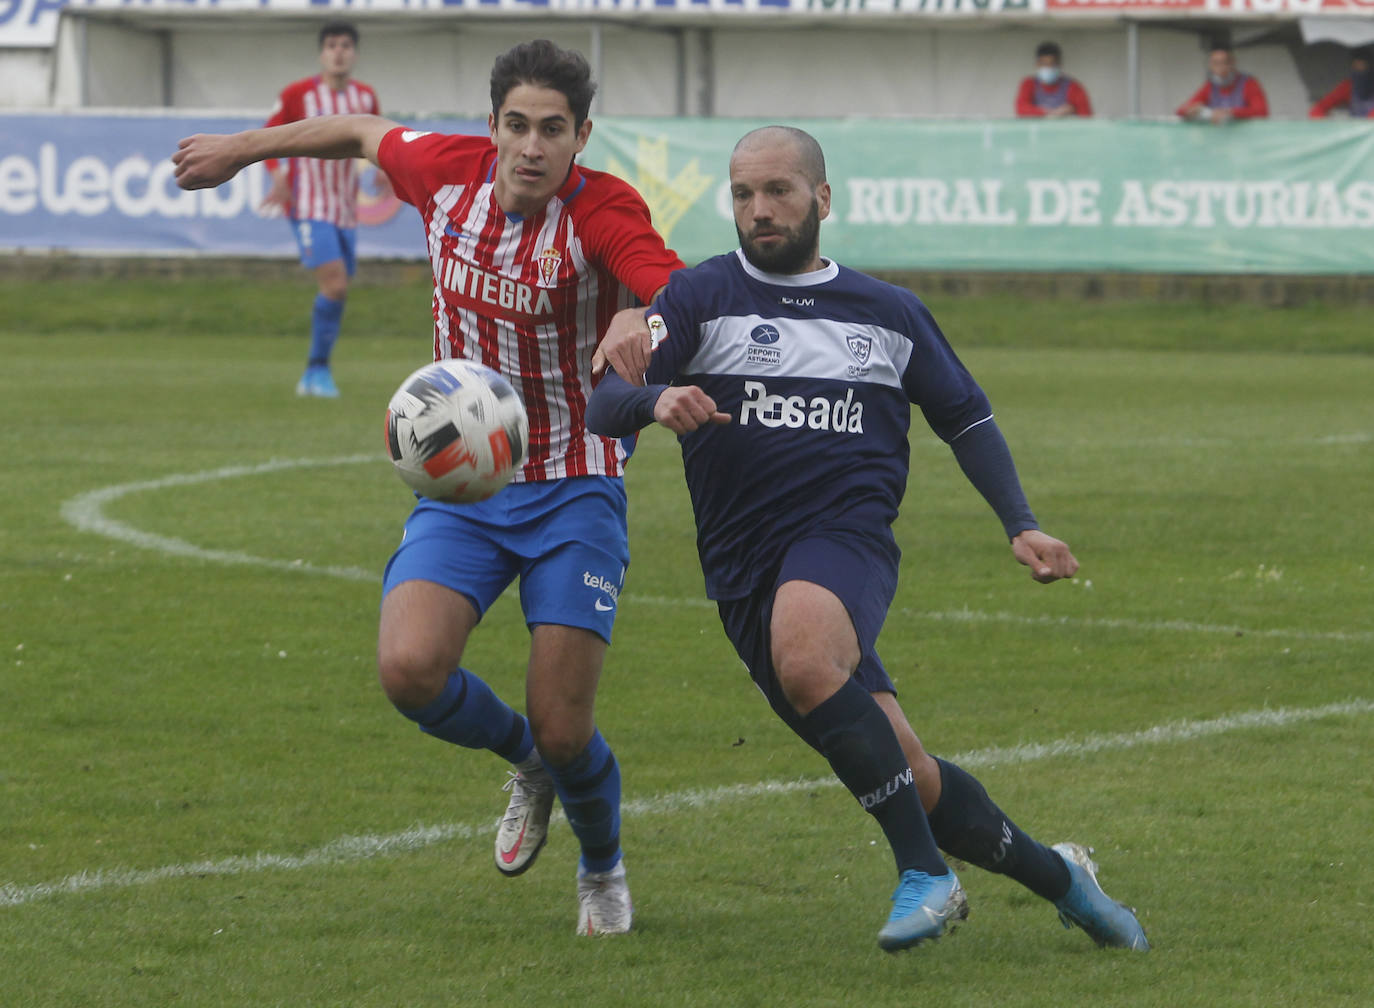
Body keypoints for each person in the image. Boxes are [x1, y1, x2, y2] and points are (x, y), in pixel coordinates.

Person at [584, 126, 1150, 954]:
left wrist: (1019, 520)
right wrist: (651, 403)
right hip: (744, 571)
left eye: (778, 190)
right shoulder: (697, 299)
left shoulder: (886, 311)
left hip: (844, 539)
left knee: (807, 655)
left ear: (822, 198)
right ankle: (1064, 879)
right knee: (914, 779)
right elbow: (606, 401)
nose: (759, 210)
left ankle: (924, 876)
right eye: (743, 195)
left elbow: (966, 415)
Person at [173, 40, 684, 936]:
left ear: (581, 137)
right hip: (465, 485)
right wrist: (242, 148)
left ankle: (601, 868)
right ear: (491, 128)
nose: (532, 146)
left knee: (571, 727)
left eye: (552, 130)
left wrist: (648, 312)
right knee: (409, 671)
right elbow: (362, 131)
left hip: (575, 482)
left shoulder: (603, 210)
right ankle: (523, 759)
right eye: (516, 125)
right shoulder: (446, 174)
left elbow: (672, 281)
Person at [262, 22, 384, 398]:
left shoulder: (365, 99)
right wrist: (278, 175)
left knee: (339, 291)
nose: (339, 52)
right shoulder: (299, 95)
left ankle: (317, 371)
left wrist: (389, 172)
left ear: (355, 53)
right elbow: (267, 135)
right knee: (335, 283)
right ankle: (315, 371)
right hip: (308, 205)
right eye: (332, 45)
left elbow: (378, 139)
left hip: (345, 210)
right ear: (322, 53)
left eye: (346, 45)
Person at [1177, 43, 1268, 123]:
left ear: (1233, 63)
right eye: (1215, 63)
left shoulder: (1248, 83)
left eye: (1224, 63)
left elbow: (1262, 112)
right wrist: (1190, 111)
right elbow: (1180, 110)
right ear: (1210, 66)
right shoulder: (1210, 86)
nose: (1221, 68)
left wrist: (1230, 112)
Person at [1014, 41, 1092, 118]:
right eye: (1044, 64)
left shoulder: (1073, 87)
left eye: (1052, 64)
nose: (1048, 67)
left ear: (1059, 64)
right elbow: (1021, 109)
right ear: (1037, 65)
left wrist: (1071, 111)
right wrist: (1053, 113)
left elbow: (1086, 116)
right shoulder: (1029, 84)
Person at [1309, 47, 1374, 119]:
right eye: (1355, 66)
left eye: (1362, 66)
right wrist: (1326, 126)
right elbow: (1318, 109)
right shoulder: (1348, 86)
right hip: (1356, 127)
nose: (1358, 70)